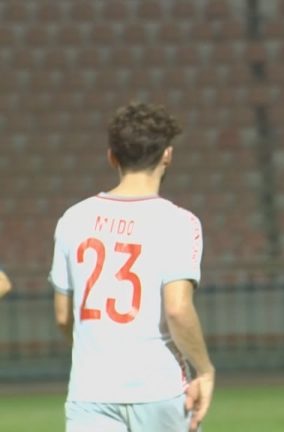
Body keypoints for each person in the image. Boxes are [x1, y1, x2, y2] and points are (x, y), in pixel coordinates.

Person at [49, 102, 215, 432]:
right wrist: (205, 370)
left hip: (91, 390)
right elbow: (178, 309)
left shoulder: (73, 219)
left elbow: (63, 316)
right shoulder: (179, 222)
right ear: (167, 155)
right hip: (159, 388)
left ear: (112, 157)